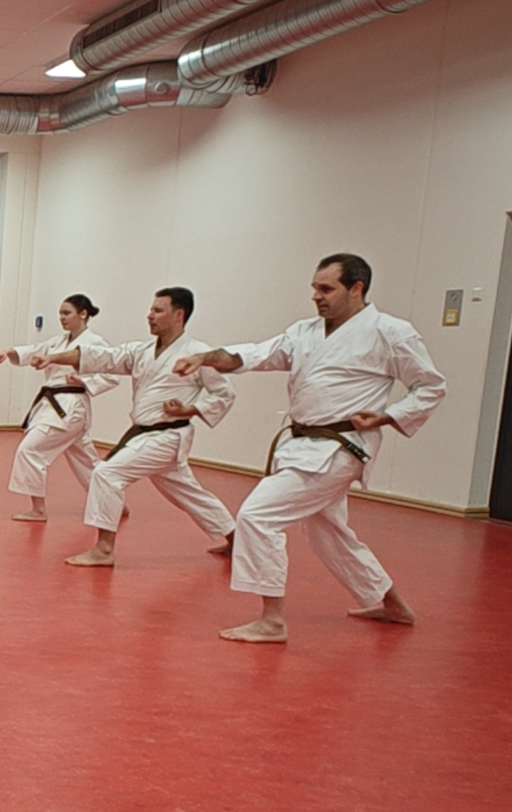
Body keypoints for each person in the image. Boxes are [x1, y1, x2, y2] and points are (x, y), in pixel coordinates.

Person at [171, 253, 448, 643]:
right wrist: (205, 357)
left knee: (257, 515)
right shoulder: (304, 332)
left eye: (326, 288)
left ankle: (271, 620)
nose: (316, 296)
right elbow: (252, 354)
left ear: (357, 288)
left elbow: (431, 386)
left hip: (340, 447)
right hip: (303, 444)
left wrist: (388, 416)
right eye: (314, 288)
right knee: (327, 531)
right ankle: (392, 605)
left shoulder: (390, 332)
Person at [30, 287, 236, 567]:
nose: (150, 316)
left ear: (179, 315)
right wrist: (54, 358)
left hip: (167, 435)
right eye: (151, 309)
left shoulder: (198, 354)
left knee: (105, 473)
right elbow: (99, 357)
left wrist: (192, 408)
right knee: (187, 491)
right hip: (148, 434)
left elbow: (224, 394)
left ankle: (104, 549)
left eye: (158, 310)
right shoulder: (141, 351)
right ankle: (235, 538)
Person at [0, 294, 115, 521]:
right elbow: (34, 350)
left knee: (29, 449)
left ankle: (38, 510)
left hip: (70, 407)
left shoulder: (96, 343)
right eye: (60, 313)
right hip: (55, 406)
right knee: (86, 462)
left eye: (67, 313)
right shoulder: (57, 342)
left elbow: (111, 373)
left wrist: (86, 382)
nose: (62, 318)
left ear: (83, 314)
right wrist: (9, 351)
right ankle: (115, 503)